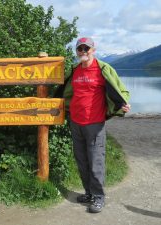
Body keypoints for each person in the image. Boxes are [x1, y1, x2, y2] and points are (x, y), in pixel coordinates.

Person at [54, 37, 131, 213]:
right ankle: (89, 193)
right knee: (81, 160)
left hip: (95, 123)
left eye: (86, 49)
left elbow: (121, 89)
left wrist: (123, 103)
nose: (83, 52)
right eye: (79, 49)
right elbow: (66, 91)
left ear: (93, 50)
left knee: (96, 161)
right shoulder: (74, 70)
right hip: (76, 122)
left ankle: (98, 197)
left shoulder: (103, 68)